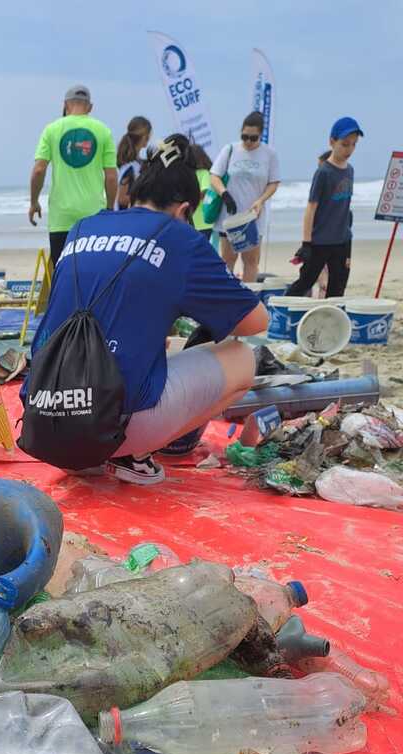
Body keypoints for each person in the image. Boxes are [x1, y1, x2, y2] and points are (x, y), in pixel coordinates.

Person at [24, 135, 268, 485]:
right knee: (243, 358)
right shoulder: (178, 238)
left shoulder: (83, 227)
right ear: (184, 210)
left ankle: (100, 456)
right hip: (107, 428)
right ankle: (132, 455)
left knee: (158, 347)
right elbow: (255, 322)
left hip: (45, 422)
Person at [29, 85, 117, 266]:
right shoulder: (103, 131)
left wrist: (34, 202)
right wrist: (109, 208)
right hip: (94, 215)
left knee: (63, 270)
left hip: (62, 216)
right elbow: (111, 177)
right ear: (90, 107)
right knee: (93, 270)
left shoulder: (51, 130)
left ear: (65, 105)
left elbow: (39, 170)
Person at [286, 118, 362, 298]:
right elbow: (310, 208)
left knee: (338, 287)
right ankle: (279, 314)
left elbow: (345, 208)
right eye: (344, 144)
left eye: (353, 144)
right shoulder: (323, 173)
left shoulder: (350, 170)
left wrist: (348, 236)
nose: (349, 149)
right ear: (332, 142)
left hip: (342, 242)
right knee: (305, 282)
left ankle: (331, 323)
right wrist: (306, 243)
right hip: (320, 242)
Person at [209, 112, 280, 282]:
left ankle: (249, 299)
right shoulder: (230, 149)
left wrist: (261, 200)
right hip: (230, 215)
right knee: (227, 260)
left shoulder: (269, 154)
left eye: (253, 138)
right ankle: (226, 297)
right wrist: (224, 194)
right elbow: (214, 176)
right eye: (244, 136)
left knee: (251, 261)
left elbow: (274, 182)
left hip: (253, 217)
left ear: (260, 135)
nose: (248, 141)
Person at [115, 116, 152, 210]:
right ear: (145, 137)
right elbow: (122, 199)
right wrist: (148, 200)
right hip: (125, 220)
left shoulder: (138, 163)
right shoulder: (130, 167)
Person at [189, 143, 215, 242]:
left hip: (202, 222)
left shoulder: (204, 173)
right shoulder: (189, 173)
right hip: (191, 221)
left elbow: (203, 193)